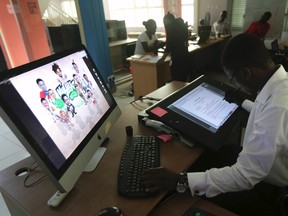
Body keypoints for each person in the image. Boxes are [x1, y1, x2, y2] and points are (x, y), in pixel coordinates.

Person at [141, 33, 288, 216]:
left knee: (184, 195)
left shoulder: (278, 106)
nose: (235, 84)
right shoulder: (280, 84)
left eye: (233, 79)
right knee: (210, 156)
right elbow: (269, 115)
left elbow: (244, 176)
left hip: (270, 190)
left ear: (245, 73)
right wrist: (243, 102)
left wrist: (180, 181)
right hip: (266, 166)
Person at [160, 12, 190, 82]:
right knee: (183, 79)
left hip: (177, 58)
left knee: (176, 80)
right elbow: (180, 39)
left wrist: (162, 59)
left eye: (164, 23)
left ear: (168, 21)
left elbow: (169, 45)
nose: (165, 25)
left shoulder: (170, 27)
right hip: (186, 55)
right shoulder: (182, 25)